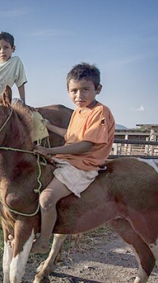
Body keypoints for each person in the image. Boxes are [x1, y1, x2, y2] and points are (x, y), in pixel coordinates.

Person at [31, 62, 115, 253]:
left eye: (85, 89)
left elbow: (85, 144)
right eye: (74, 90)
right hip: (68, 159)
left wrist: (49, 151)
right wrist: (48, 126)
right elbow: (70, 135)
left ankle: (44, 242)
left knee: (46, 198)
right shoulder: (79, 111)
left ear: (98, 89)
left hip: (83, 164)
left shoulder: (100, 112)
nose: (79, 96)